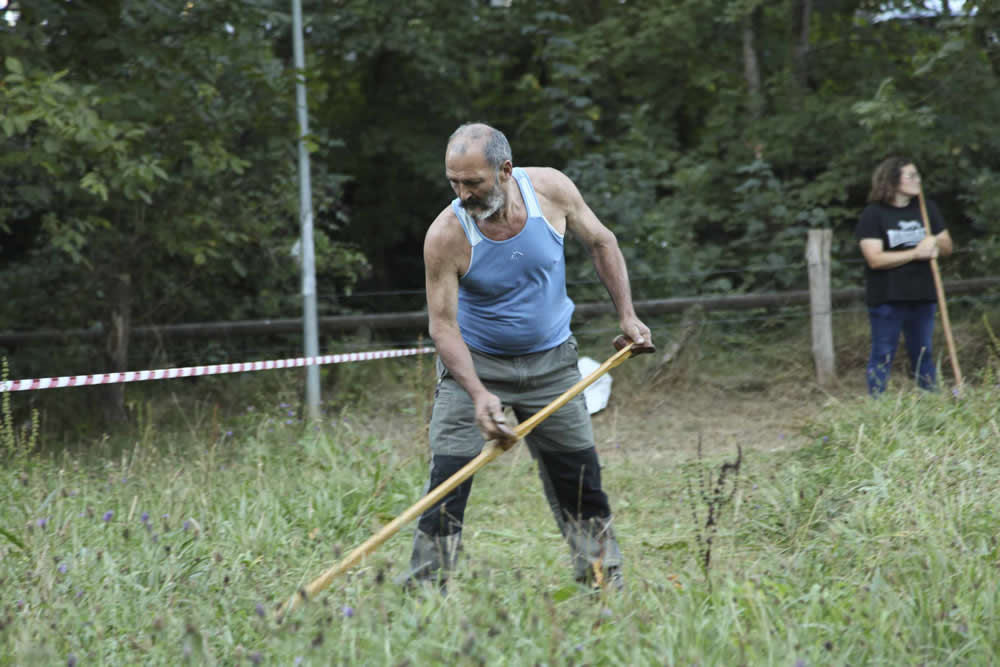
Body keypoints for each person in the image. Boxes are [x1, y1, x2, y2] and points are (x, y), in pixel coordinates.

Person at [401, 122, 652, 592]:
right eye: (454, 182)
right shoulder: (446, 235)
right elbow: (443, 326)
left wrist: (628, 316)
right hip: (474, 368)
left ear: (505, 170)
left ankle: (602, 581)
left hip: (552, 364)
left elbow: (602, 241)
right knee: (447, 481)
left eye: (473, 182)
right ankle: (424, 592)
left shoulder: (551, 192)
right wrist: (477, 394)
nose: (463, 193)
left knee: (579, 479)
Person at [855, 157, 953, 395]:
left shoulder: (926, 209)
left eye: (917, 175)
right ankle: (878, 407)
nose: (917, 180)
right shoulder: (873, 214)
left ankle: (931, 404)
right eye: (911, 175)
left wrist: (937, 240)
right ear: (891, 179)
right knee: (883, 353)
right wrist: (915, 253)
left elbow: (948, 247)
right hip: (888, 298)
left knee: (924, 353)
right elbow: (875, 259)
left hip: (923, 295)